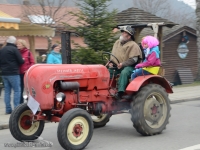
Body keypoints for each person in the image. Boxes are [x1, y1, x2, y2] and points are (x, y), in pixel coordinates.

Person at [109, 26, 143, 100]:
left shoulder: (133, 45)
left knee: (124, 72)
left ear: (129, 36)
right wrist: (111, 63)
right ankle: (107, 90)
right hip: (117, 66)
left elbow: (134, 60)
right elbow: (113, 55)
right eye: (122, 32)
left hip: (130, 67)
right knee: (107, 72)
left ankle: (120, 93)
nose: (122, 34)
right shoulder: (117, 43)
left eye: (124, 33)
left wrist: (123, 64)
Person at [0, 36, 24, 114]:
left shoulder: (2, 50)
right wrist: (23, 60)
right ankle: (16, 109)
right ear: (14, 42)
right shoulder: (14, 49)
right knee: (17, 90)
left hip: (4, 73)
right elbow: (20, 61)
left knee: (7, 91)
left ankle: (8, 109)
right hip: (13, 73)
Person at [16, 39, 35, 104]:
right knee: (20, 89)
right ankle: (20, 104)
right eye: (17, 44)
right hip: (19, 73)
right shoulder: (16, 52)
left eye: (19, 44)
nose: (17, 45)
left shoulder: (28, 52)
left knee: (28, 89)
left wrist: (28, 69)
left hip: (26, 73)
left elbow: (32, 62)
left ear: (23, 45)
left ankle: (30, 103)